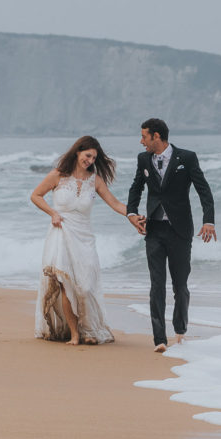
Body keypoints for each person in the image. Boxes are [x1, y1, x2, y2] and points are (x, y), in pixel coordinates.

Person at [126, 118, 216, 353]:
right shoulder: (143, 159)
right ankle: (159, 339)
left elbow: (203, 190)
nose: (141, 140)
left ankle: (180, 330)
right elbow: (136, 187)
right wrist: (132, 213)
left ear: (157, 136)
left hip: (180, 230)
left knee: (180, 285)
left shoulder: (186, 158)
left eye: (144, 136)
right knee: (157, 284)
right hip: (154, 229)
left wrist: (208, 221)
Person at [30, 136, 129, 345]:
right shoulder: (58, 175)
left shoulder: (95, 180)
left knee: (85, 287)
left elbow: (115, 203)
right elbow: (36, 195)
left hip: (85, 237)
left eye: (94, 157)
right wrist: (52, 213)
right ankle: (75, 334)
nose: (90, 160)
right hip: (61, 232)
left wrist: (133, 215)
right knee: (67, 283)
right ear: (77, 152)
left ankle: (88, 329)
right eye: (87, 155)